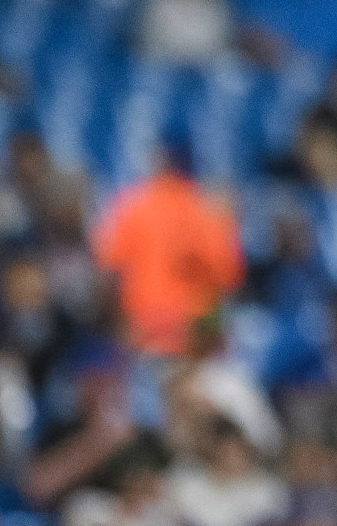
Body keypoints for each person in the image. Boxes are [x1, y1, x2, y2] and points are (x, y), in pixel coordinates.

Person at [91, 129, 244, 358]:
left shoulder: (132, 203)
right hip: (193, 334)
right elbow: (230, 279)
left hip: (143, 328)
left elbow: (106, 271)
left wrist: (119, 327)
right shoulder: (210, 207)